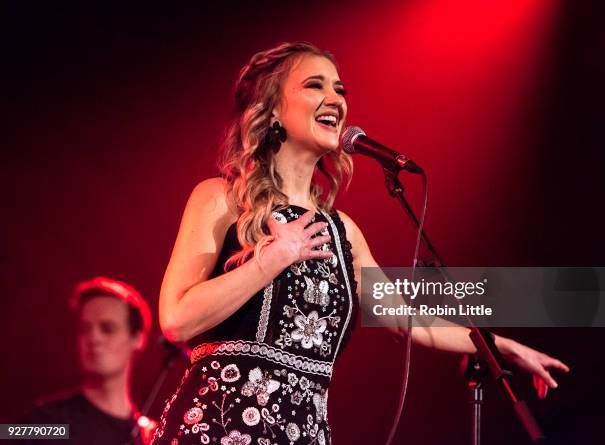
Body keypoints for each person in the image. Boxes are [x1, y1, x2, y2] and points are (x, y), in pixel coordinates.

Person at [154, 41, 570, 445]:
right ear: (273, 109)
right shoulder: (222, 198)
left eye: (340, 89)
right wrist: (272, 260)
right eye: (314, 85)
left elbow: (404, 318)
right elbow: (176, 318)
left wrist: (497, 347)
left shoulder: (342, 231)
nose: (335, 98)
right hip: (217, 428)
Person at [20, 276, 157, 445]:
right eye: (85, 329)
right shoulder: (46, 421)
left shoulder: (150, 437)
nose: (93, 338)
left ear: (137, 339)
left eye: (107, 329)